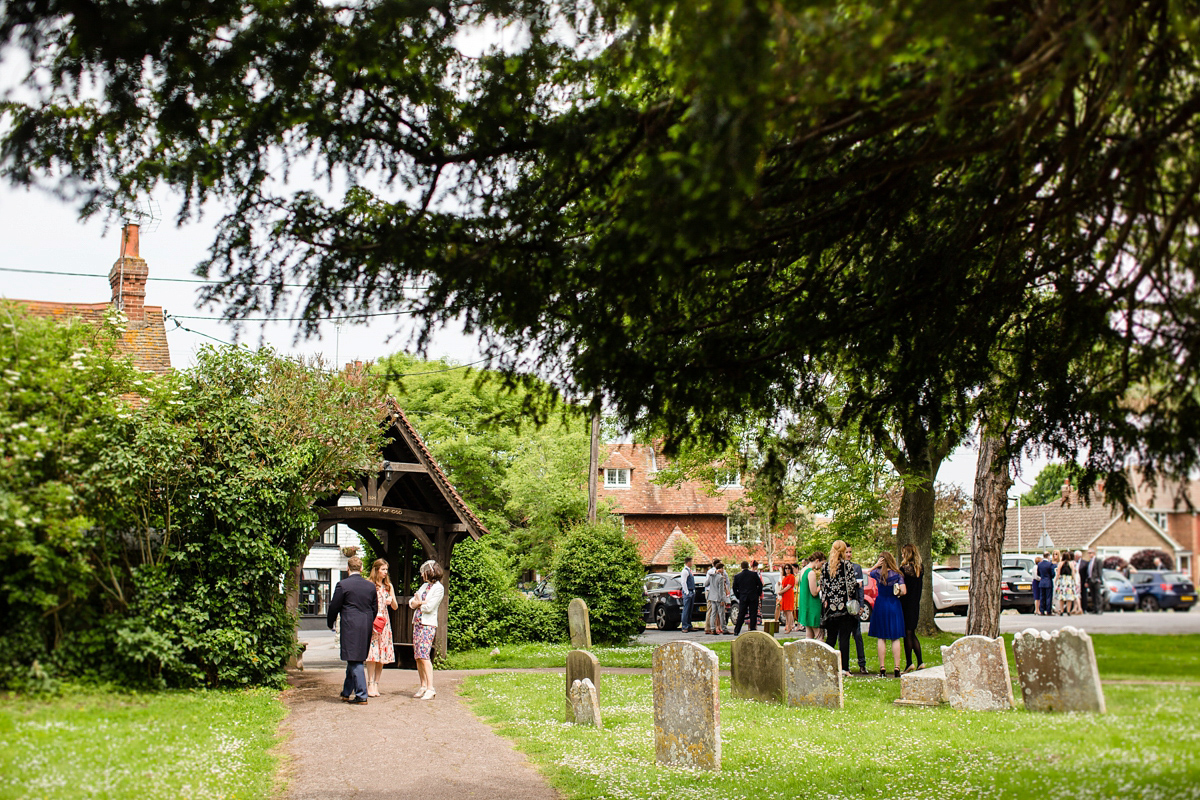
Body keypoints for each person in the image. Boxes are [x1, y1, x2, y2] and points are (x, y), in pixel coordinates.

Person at [326, 555, 378, 705]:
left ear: (347, 569)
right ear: (361, 569)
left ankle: (362, 694)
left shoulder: (343, 585)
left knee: (355, 660)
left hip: (350, 624)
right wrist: (369, 621)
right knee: (355, 657)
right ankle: (346, 692)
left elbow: (334, 606)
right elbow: (375, 608)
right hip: (366, 623)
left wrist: (331, 623)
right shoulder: (370, 586)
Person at [407, 559, 445, 700]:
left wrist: (419, 603)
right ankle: (423, 685)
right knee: (418, 656)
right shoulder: (424, 586)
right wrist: (418, 603)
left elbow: (429, 607)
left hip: (427, 625)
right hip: (417, 623)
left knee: (424, 655)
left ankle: (430, 687)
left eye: (424, 572)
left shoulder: (439, 588)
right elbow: (412, 602)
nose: (422, 575)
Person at [819, 540, 859, 676]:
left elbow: (822, 587)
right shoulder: (846, 566)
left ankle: (827, 666)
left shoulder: (825, 567)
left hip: (830, 608)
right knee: (844, 639)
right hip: (844, 608)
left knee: (831, 638)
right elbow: (851, 585)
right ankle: (844, 668)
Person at [365, 558, 400, 697]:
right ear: (376, 569)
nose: (385, 572)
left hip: (384, 622)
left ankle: (376, 684)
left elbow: (395, 607)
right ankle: (370, 683)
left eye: (386, 570)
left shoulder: (388, 586)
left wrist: (391, 600)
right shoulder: (370, 585)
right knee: (372, 654)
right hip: (373, 621)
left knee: (382, 654)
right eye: (383, 569)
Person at [869, 551, 907, 677]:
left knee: (881, 637)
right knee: (895, 637)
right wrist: (897, 593)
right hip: (894, 604)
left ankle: (882, 668)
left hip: (881, 604)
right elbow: (904, 591)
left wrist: (875, 565)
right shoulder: (897, 574)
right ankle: (897, 668)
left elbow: (868, 572)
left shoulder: (877, 573)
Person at [898, 544, 925, 672]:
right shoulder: (920, 568)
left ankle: (909, 662)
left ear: (907, 554)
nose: (902, 555)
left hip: (906, 604)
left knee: (907, 634)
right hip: (915, 604)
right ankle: (920, 661)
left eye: (903, 553)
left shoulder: (903, 570)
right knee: (912, 632)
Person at [843, 545, 868, 674]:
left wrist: (862, 605)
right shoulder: (839, 568)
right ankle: (844, 665)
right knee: (844, 636)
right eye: (846, 552)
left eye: (850, 552)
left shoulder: (856, 568)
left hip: (855, 604)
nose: (848, 554)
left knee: (857, 634)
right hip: (843, 606)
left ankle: (862, 663)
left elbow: (860, 588)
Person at [798, 551, 825, 640]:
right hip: (813, 606)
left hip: (805, 605)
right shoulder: (811, 573)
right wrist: (821, 584)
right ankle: (821, 653)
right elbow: (814, 592)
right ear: (817, 560)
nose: (822, 566)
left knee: (809, 634)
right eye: (822, 563)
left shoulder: (802, 570)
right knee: (819, 635)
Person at [732, 561, 762, 634]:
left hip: (743, 597)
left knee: (741, 614)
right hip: (753, 596)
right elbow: (760, 585)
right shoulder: (754, 574)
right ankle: (752, 628)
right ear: (748, 566)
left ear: (741, 567)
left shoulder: (738, 576)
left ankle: (737, 630)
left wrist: (738, 596)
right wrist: (758, 593)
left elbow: (734, 588)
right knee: (753, 613)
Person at [705, 560, 731, 634]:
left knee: (713, 613)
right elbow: (721, 590)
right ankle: (724, 629)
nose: (723, 570)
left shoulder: (711, 576)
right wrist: (722, 599)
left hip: (712, 597)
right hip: (719, 598)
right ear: (720, 569)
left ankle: (712, 628)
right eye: (723, 568)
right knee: (721, 614)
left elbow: (706, 584)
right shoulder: (721, 578)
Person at [1055, 551, 1077, 616]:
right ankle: (1068, 611)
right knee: (1069, 597)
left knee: (1061, 597)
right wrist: (1075, 581)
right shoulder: (1071, 563)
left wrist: (1056, 580)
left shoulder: (1060, 563)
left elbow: (1058, 573)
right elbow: (1073, 573)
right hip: (1069, 581)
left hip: (1062, 581)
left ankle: (1061, 610)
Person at [778, 564, 797, 633]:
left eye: (788, 568)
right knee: (785, 611)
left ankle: (790, 626)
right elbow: (783, 585)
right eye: (785, 568)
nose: (787, 570)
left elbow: (789, 586)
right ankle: (789, 625)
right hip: (784, 595)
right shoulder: (785, 577)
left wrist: (781, 591)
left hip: (788, 594)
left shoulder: (792, 576)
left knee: (789, 611)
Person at [680, 557, 697, 632]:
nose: (692, 563)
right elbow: (683, 582)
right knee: (686, 609)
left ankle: (689, 625)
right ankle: (684, 626)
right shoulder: (685, 571)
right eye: (691, 562)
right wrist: (686, 592)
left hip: (691, 591)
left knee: (690, 609)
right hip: (688, 592)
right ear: (688, 562)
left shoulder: (689, 571)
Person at [1086, 549, 1105, 614]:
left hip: (1096, 580)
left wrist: (1099, 579)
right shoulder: (1089, 562)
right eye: (1088, 553)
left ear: (1094, 553)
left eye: (1090, 553)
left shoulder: (1098, 560)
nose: (1089, 554)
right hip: (1090, 580)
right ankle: (1095, 609)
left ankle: (1099, 609)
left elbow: (1099, 570)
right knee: (1093, 595)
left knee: (1098, 596)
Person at [1036, 551, 1056, 616]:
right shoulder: (1050, 564)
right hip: (1048, 582)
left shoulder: (1039, 564)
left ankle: (1041, 611)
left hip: (1042, 582)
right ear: (1048, 556)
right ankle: (1048, 611)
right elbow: (1053, 574)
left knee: (1042, 597)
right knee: (1048, 597)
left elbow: (1038, 573)